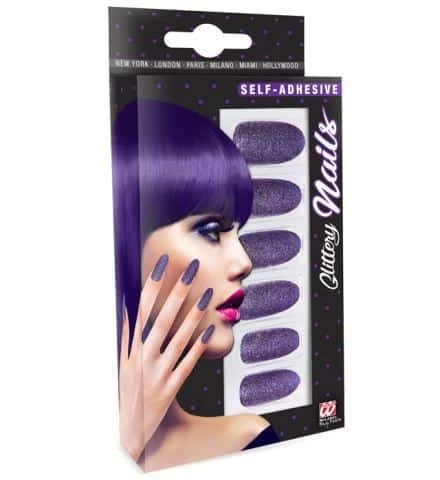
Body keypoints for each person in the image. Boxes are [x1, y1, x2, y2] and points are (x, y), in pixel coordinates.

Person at [112, 98, 280, 472]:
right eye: (211, 231)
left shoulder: (246, 440)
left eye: (238, 232)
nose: (244, 262)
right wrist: (128, 441)